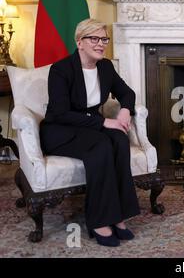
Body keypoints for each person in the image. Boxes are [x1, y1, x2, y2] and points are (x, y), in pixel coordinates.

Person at [40, 19, 140, 247]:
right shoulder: (61, 69)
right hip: (60, 130)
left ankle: (119, 215)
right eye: (93, 39)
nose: (100, 44)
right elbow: (61, 113)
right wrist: (105, 122)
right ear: (79, 42)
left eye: (103, 39)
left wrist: (125, 111)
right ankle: (99, 220)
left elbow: (127, 93)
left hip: (90, 126)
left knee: (119, 139)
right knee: (101, 145)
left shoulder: (105, 67)